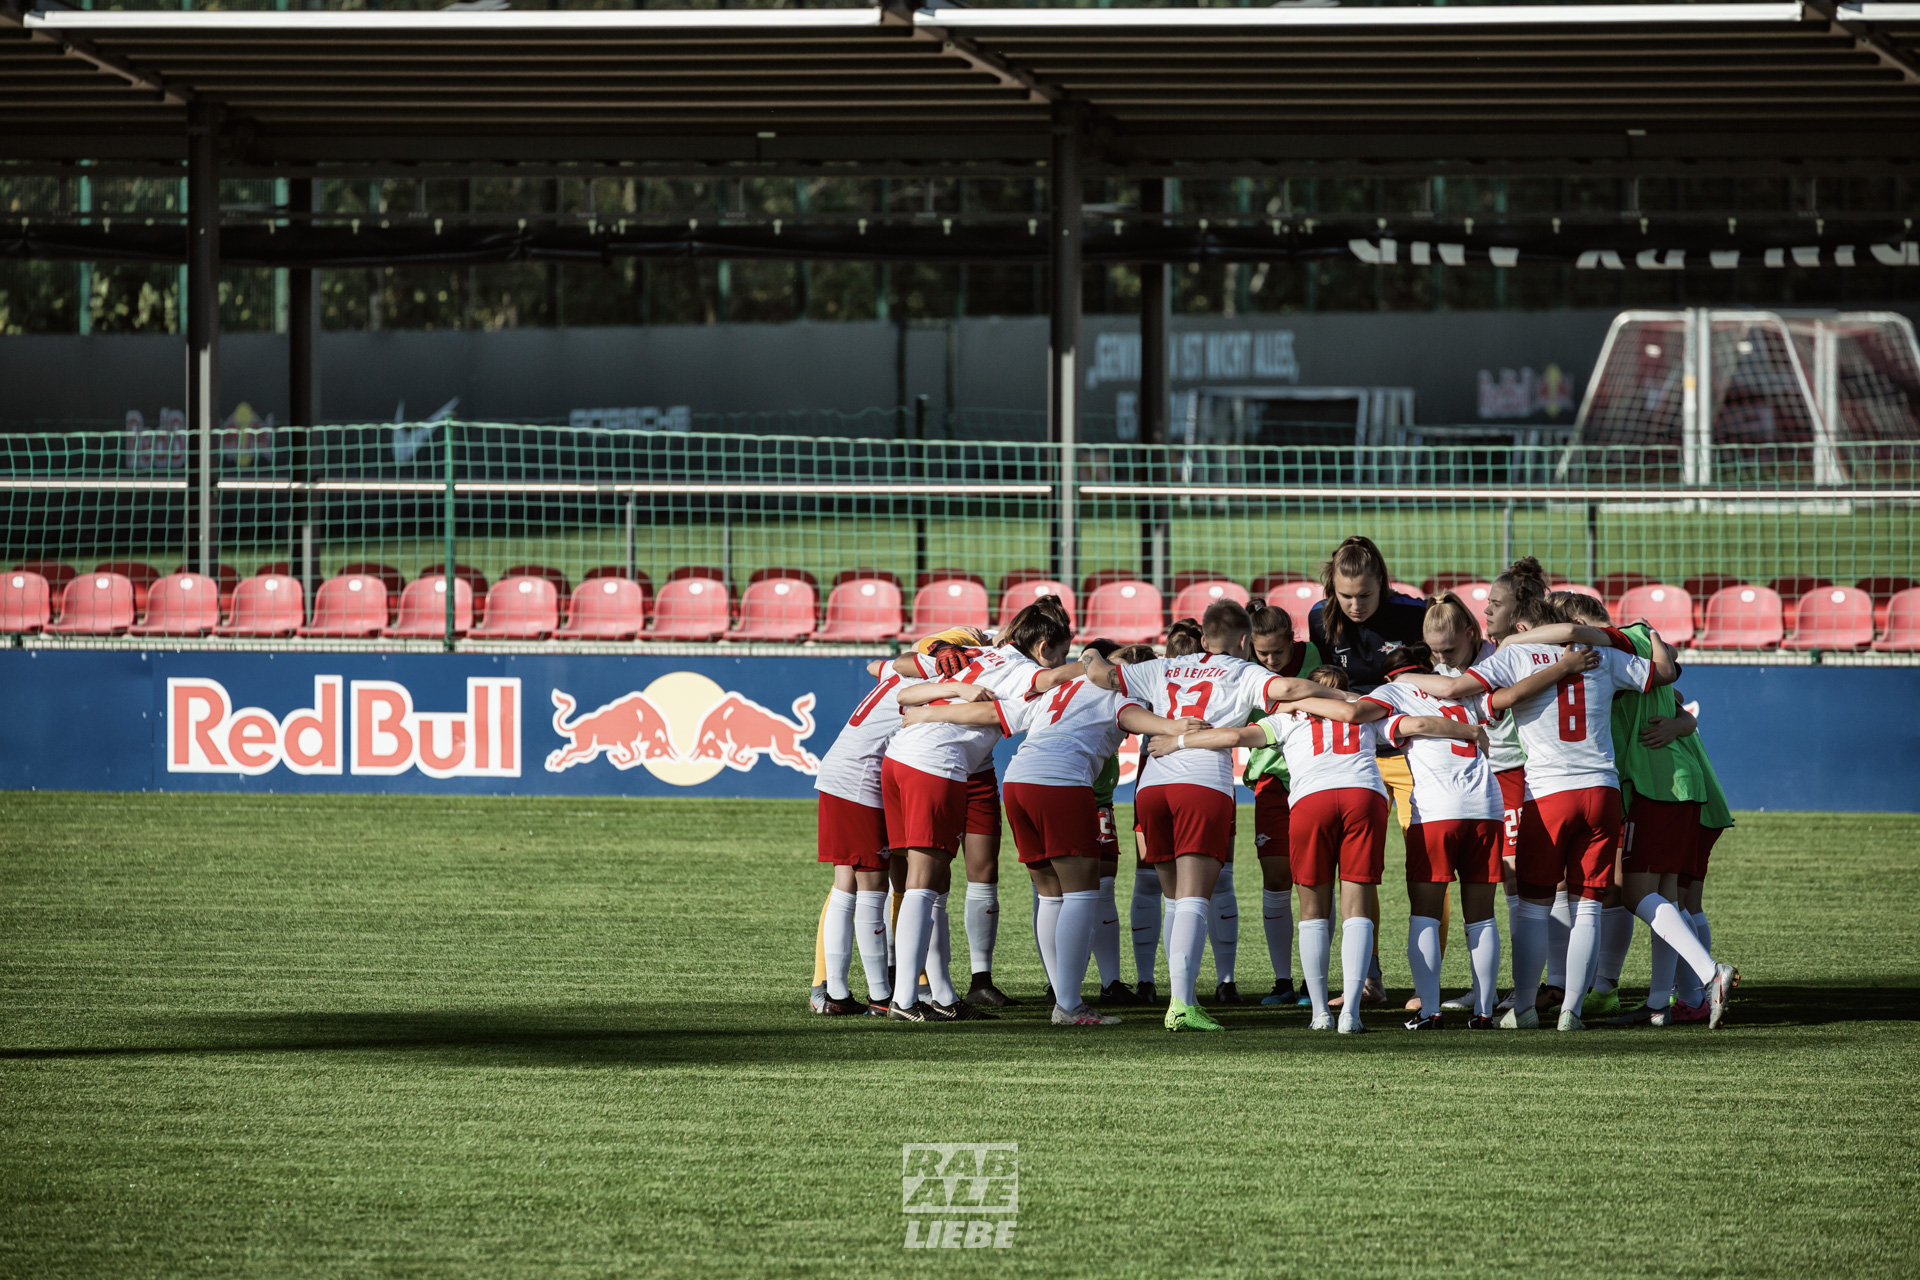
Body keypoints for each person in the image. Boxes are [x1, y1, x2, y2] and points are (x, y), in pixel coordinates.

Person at [1402, 609, 1736, 1030]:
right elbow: (1663, 675)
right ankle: (1571, 1012)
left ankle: (1523, 1008)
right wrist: (1647, 632)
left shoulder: (1512, 656)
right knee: (1589, 908)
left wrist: (1404, 680)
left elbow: (1454, 688)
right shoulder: (1601, 655)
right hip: (1603, 792)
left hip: (1549, 795)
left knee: (1531, 909)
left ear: (1528, 628)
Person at [1151, 663, 1488, 1033]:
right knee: (1356, 904)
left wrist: (1177, 741)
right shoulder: (1365, 707)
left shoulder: (1287, 715)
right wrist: (1469, 731)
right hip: (1364, 795)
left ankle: (1319, 1013)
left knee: (1312, 910)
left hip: (1312, 800)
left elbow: (1233, 737)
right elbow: (1418, 725)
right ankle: (1351, 1015)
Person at [901, 639, 1207, 1025]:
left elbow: (993, 713)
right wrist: (1178, 727)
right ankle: (1069, 1005)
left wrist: (927, 716)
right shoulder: (1120, 696)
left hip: (1017, 783)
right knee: (1082, 895)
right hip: (1060, 784)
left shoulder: (1060, 688)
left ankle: (1062, 995)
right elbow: (1138, 718)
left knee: (1050, 895)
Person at [1083, 600, 1325, 1032]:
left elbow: (1101, 674)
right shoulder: (1242, 669)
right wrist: (1341, 695)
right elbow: (1288, 691)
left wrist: (1089, 654)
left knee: (1174, 898)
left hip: (1152, 785)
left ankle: (1184, 995)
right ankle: (1181, 1005)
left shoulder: (1163, 666)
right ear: (1245, 640)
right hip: (1202, 785)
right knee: (1195, 898)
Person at [1525, 594, 1740, 1028]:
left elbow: (1667, 678)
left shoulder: (1607, 651)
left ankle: (1705, 977)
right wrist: (1682, 718)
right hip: (1683, 783)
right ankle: (1665, 1001)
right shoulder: (1639, 639)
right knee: (1670, 897)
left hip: (1649, 783)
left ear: (1582, 625)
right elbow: (1673, 682)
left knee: (1636, 893)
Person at [880, 605, 1077, 1022]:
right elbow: (1050, 678)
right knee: (923, 883)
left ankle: (935, 996)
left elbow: (902, 690)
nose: (1063, 662)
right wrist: (1095, 667)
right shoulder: (1026, 675)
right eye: (1062, 652)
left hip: (897, 758)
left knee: (924, 883)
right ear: (1043, 647)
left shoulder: (978, 653)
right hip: (934, 764)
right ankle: (904, 1001)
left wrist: (940, 699)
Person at [809, 627, 982, 1015]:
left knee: (846, 882)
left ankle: (837, 992)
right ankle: (877, 996)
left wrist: (933, 647)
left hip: (842, 769)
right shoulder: (937, 668)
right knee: (870, 886)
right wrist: (942, 656)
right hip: (861, 777)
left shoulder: (903, 668)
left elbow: (877, 664)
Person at [1306, 536, 1427, 1006]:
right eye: (1345, 595)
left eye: (1365, 595)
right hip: (1353, 755)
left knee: (1425, 864)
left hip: (1409, 750)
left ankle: (1427, 980)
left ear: (1383, 583)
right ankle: (1369, 978)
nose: (1355, 605)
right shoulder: (1320, 619)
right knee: (1358, 870)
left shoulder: (1414, 615)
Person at [1243, 599, 1322, 1006]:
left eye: (1279, 651)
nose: (1271, 660)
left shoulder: (1317, 655)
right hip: (1272, 782)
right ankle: (1282, 981)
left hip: (1316, 778)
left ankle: (1315, 982)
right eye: (1263, 653)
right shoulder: (1242, 668)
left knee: (1313, 880)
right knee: (1276, 878)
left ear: (1295, 640)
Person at [1126, 617, 1204, 1001]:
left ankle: (1147, 981)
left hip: (1153, 778)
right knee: (1201, 887)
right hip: (1201, 782)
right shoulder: (1216, 677)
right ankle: (1200, 986)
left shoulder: (1154, 674)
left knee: (1150, 880)